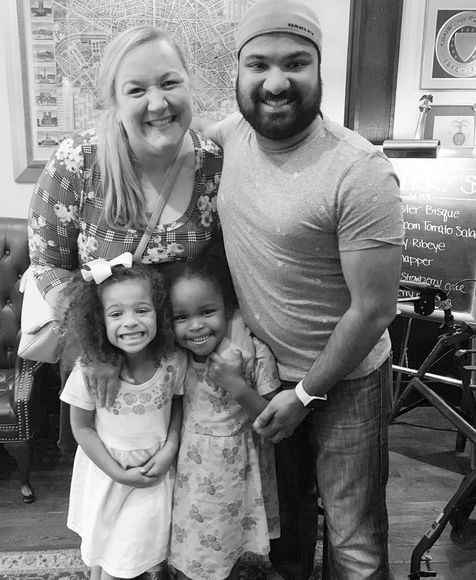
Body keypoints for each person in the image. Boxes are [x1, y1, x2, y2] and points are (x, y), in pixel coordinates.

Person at [198, 1, 404, 578]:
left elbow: (375, 309)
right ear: (238, 73)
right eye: (258, 64)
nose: (275, 82)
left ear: (319, 70)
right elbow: (164, 138)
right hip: (266, 377)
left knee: (354, 541)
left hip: (347, 384)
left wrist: (307, 394)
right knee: (283, 527)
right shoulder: (230, 137)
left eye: (295, 63)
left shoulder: (360, 170)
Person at [27, 25, 223, 406]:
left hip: (191, 375)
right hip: (104, 372)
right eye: (136, 90)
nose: (158, 103)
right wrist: (98, 349)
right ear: (114, 102)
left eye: (169, 83)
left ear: (190, 85)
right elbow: (47, 266)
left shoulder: (215, 165)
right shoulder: (77, 162)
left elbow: (225, 270)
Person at [59, 260, 186, 580]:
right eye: (116, 314)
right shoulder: (88, 370)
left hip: (153, 475)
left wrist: (170, 447)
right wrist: (116, 472)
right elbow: (81, 427)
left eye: (142, 310)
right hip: (108, 475)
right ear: (99, 321)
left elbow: (177, 404)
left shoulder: (173, 361)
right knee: (108, 553)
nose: (130, 322)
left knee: (133, 557)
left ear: (160, 313)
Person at [164, 257, 281, 580]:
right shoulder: (176, 359)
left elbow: (273, 422)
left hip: (241, 476)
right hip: (193, 478)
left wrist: (237, 386)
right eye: (181, 317)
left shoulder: (254, 353)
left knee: (231, 548)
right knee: (194, 554)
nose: (196, 326)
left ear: (228, 309)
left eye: (206, 312)